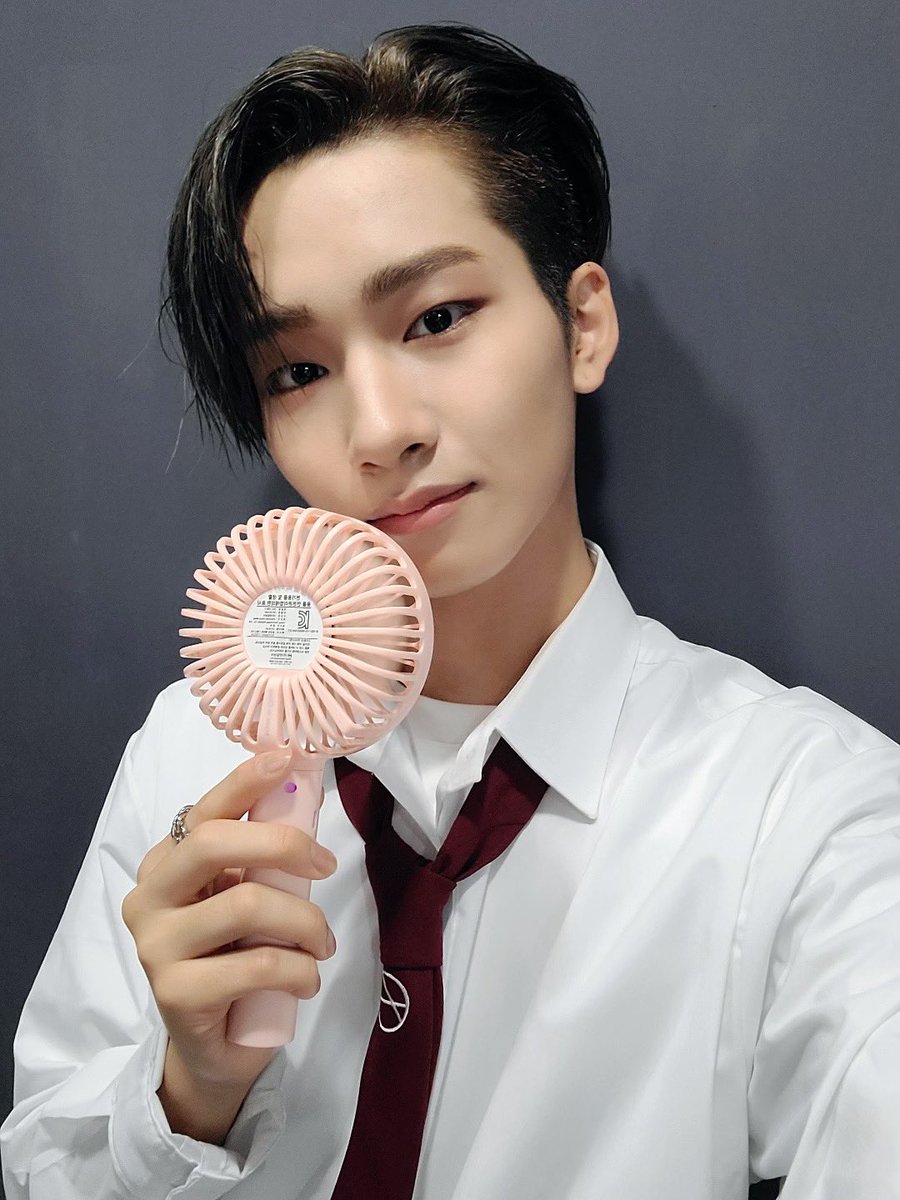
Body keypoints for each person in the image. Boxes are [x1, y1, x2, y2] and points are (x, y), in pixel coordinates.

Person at [2, 21, 899, 1200]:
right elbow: (43, 1162)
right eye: (298, 372)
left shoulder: (809, 818)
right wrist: (186, 1096)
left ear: (583, 324)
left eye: (436, 318)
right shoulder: (192, 755)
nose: (379, 432)